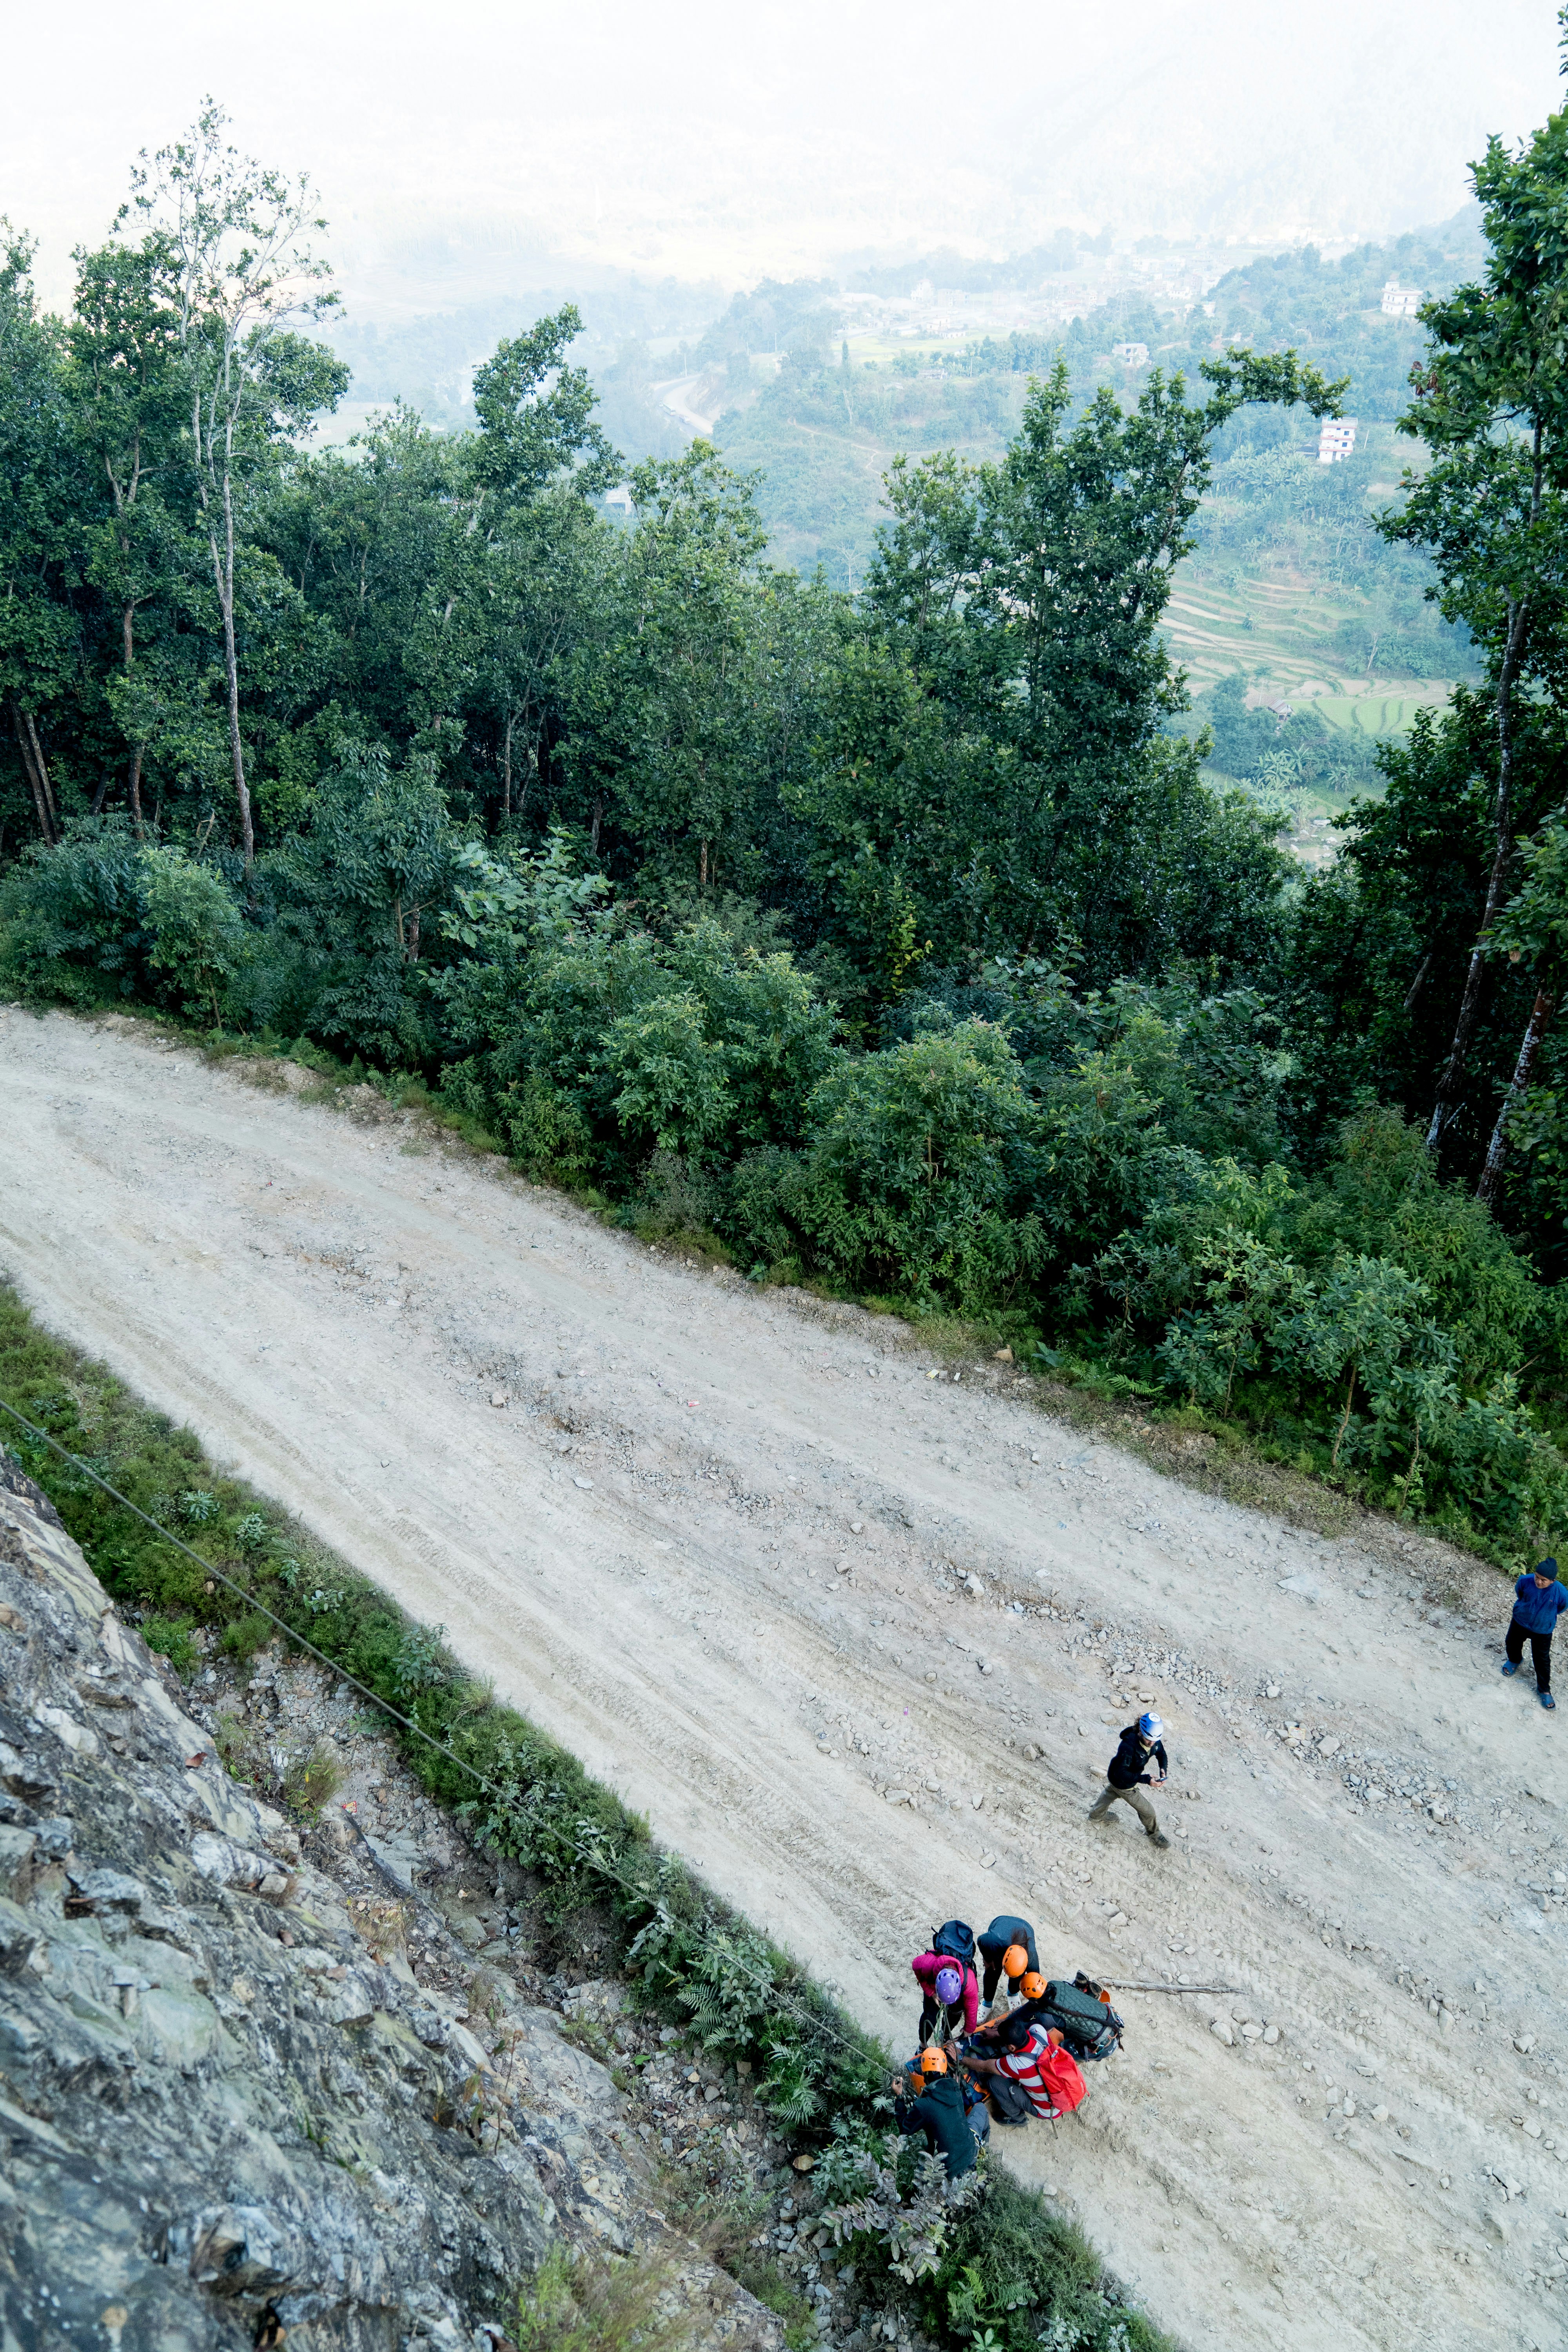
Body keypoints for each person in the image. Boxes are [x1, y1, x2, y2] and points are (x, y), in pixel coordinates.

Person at [965, 2024, 1087, 2122]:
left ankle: (1017, 2118)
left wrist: (960, 2058)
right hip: (1060, 2092)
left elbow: (984, 2066)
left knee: (994, 2082)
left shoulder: (1016, 2065)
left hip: (1046, 2110)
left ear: (1012, 2047)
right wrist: (997, 2035)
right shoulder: (1039, 2030)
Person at [1088, 1712, 1171, 1846]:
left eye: (1155, 1740)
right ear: (1140, 1731)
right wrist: (1146, 1779)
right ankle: (1154, 1834)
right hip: (1123, 1781)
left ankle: (1096, 1815)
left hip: (1116, 1776)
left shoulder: (1154, 1740)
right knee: (1148, 1811)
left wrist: (1163, 1769)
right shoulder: (1128, 1746)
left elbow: (1162, 1754)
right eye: (1148, 1739)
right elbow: (1122, 1773)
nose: (1152, 1743)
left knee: (1111, 1792)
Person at [893, 2046, 978, 2177]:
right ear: (945, 2072)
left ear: (924, 2074)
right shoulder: (955, 2088)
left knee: (918, 2177)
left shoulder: (924, 2106)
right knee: (980, 2109)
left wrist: (899, 2097)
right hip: (971, 2153)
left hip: (948, 2168)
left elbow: (905, 2130)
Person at [1503, 1558, 1568, 1711]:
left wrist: (1545, 1616)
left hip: (1542, 1629)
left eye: (1543, 1580)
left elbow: (1562, 1607)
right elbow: (1520, 1593)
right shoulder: (1525, 1580)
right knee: (1512, 1642)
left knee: (1542, 1659)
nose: (1538, 1582)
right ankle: (1515, 1660)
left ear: (1553, 1581)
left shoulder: (1561, 1592)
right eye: (1537, 1577)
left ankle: (1544, 1690)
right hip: (1520, 1621)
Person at [912, 1948, 980, 2041]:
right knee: (929, 2017)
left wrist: (968, 2030)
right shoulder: (927, 1964)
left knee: (954, 2016)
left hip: (954, 1996)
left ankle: (945, 2034)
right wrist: (931, 1992)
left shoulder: (969, 1983)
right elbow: (916, 1967)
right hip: (934, 1992)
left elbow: (972, 2007)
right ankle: (923, 2044)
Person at [976, 1915, 1040, 2009]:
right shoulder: (995, 1941)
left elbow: (1036, 1983)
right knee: (992, 1973)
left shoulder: (1031, 1961)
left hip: (1025, 1928)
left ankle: (1012, 1993)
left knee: (1018, 1977)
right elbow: (981, 1940)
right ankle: (988, 2003)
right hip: (1002, 1923)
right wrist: (988, 1959)